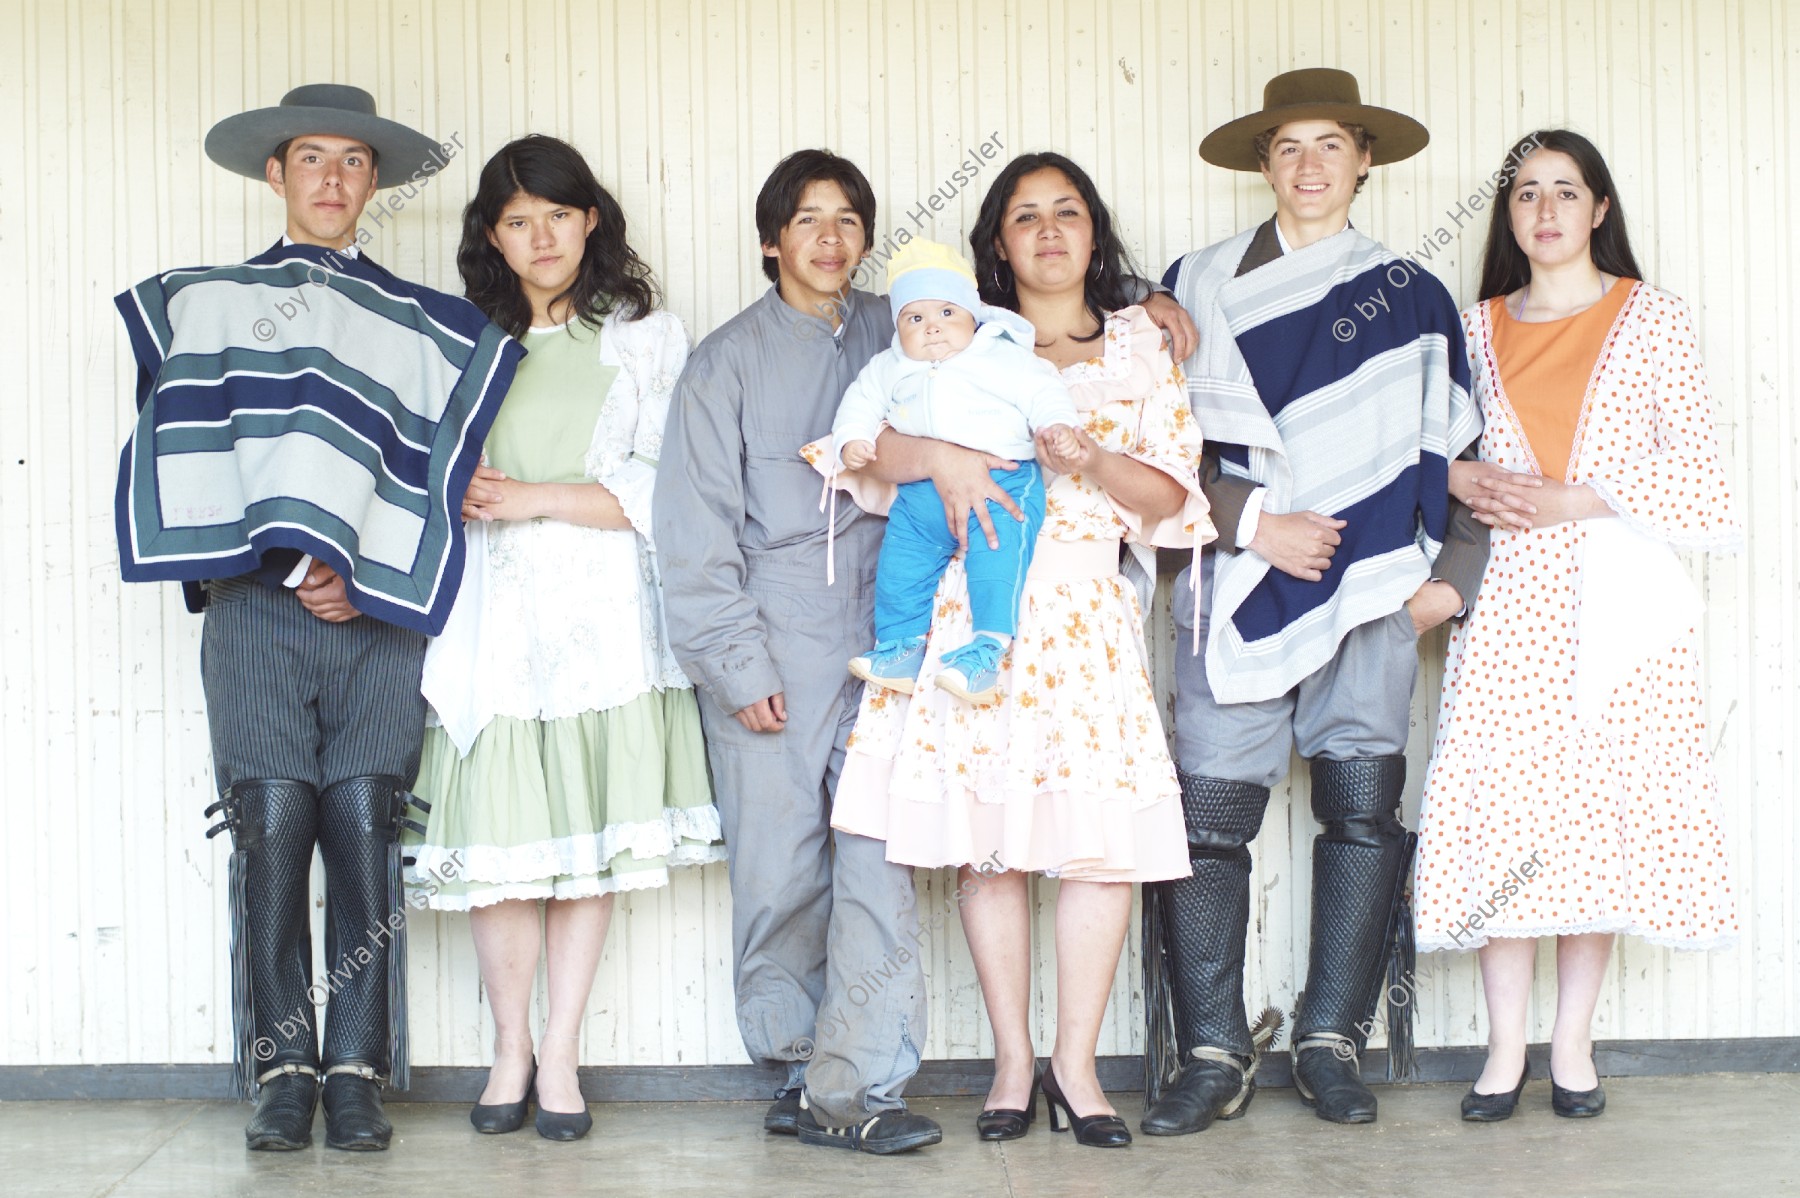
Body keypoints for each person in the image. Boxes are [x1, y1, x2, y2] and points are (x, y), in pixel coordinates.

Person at [656, 148, 1197, 1157]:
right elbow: (708, 523)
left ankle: (861, 1080)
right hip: (816, 631)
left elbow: (1052, 324)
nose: (830, 239)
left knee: (880, 859)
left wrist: (1151, 297)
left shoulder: (907, 322)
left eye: (848, 219)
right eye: (806, 220)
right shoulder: (742, 358)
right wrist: (736, 662)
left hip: (936, 623)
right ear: (770, 239)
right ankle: (796, 1071)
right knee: (785, 865)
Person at [113, 85, 521, 1151]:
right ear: (276, 175)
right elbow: (185, 454)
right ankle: (281, 1067)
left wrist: (369, 575)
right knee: (272, 827)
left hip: (375, 619)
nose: (333, 179)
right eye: (311, 159)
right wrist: (277, 562)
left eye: (352, 162)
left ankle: (356, 1071)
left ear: (373, 182)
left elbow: (434, 474)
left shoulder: (422, 328)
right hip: (252, 609)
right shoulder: (211, 307)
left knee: (362, 829)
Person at [821, 151, 1213, 1149]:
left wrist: (1096, 457)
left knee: (1095, 850)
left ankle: (1076, 1069)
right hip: (976, 610)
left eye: (1067, 212)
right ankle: (1009, 1061)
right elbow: (862, 453)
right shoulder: (947, 335)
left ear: (1093, 231)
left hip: (1085, 614)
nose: (1047, 232)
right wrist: (945, 458)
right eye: (1025, 216)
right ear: (997, 242)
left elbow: (1172, 499)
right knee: (987, 846)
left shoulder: (1137, 348)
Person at [1146, 67, 1487, 1133]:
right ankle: (1211, 1053)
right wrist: (1255, 521)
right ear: (1263, 164)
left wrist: (1445, 587)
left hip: (1374, 594)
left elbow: (1464, 458)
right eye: (1287, 148)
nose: (1308, 167)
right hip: (1237, 574)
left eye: (1330, 147)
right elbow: (1149, 453)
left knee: (1359, 809)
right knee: (1208, 820)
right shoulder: (1190, 286)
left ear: (1365, 159)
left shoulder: (1413, 296)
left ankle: (1330, 1040)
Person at [1414, 129, 1741, 1123]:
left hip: (1619, 600)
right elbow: (1420, 458)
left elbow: (1701, 476)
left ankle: (1572, 1045)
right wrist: (1456, 474)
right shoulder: (1469, 330)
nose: (1545, 210)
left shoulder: (1654, 319)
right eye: (1525, 195)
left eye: (1565, 191)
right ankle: (1504, 1049)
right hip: (1506, 594)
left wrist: (1581, 496)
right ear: (1509, 216)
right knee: (1509, 806)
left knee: (1595, 812)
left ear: (1599, 210)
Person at [405, 134, 723, 1142]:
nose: (541, 237)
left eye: (558, 214)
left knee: (587, 841)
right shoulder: (458, 339)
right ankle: (509, 1048)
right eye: (517, 220)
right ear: (491, 237)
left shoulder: (645, 335)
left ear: (592, 219)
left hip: (602, 614)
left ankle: (563, 1053)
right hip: (492, 616)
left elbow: (666, 484)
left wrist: (534, 497)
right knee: (504, 845)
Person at [831, 238, 1078, 704]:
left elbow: (1042, 390)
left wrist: (1057, 427)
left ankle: (987, 651)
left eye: (947, 313)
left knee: (996, 558)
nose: (932, 329)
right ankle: (901, 649)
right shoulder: (889, 366)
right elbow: (859, 402)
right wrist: (852, 439)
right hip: (921, 493)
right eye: (915, 318)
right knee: (900, 566)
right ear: (898, 327)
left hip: (1002, 481)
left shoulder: (998, 356)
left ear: (973, 315)